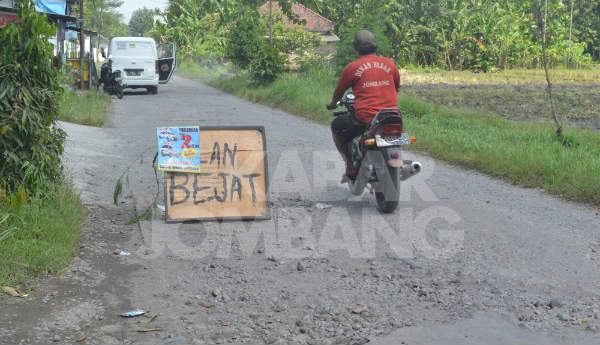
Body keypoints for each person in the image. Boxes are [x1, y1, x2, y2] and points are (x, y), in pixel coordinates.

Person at [326, 30, 401, 180]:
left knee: (336, 126)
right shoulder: (390, 64)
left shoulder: (352, 68)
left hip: (366, 119)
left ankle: (350, 166)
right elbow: (396, 87)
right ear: (375, 46)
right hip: (393, 116)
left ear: (356, 48)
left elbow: (339, 91)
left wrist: (333, 104)